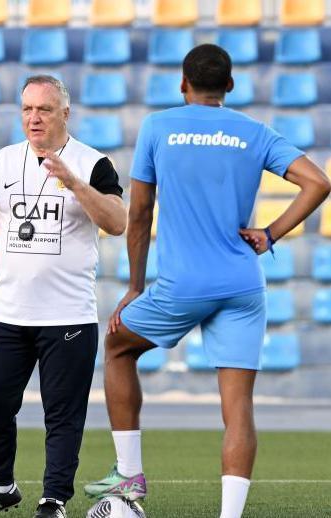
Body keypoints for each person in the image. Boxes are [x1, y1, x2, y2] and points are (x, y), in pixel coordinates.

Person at [84, 44, 330, 518]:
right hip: (242, 285)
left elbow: (140, 214)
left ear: (183, 83)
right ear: (229, 86)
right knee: (238, 408)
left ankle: (129, 478)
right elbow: (319, 182)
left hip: (183, 286)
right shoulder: (254, 131)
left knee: (117, 347)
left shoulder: (158, 127)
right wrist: (270, 233)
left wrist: (135, 286)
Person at [0, 75, 127, 518]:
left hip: (68, 314)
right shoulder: (4, 160)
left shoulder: (93, 163)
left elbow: (117, 222)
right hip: (8, 312)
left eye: (44, 109)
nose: (34, 118)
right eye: (27, 109)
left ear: (65, 114)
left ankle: (54, 499)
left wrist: (75, 184)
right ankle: (1, 486)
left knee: (62, 413)